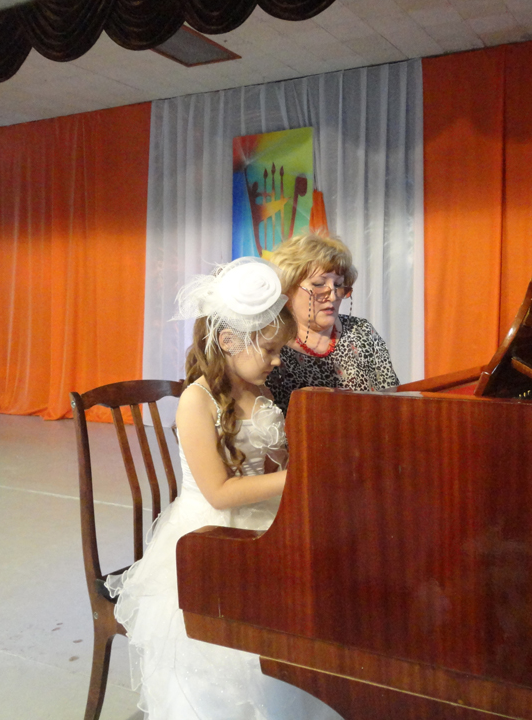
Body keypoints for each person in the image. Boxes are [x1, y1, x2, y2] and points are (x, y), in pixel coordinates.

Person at [105, 257, 342, 720]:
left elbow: (274, 464)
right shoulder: (197, 402)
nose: (278, 361)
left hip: (261, 520)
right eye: (270, 350)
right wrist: (302, 478)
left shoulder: (261, 391)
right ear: (229, 341)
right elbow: (219, 492)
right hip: (210, 534)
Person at [266, 233, 399, 415]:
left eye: (338, 285)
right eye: (319, 284)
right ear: (288, 289)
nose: (333, 295)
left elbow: (392, 403)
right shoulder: (268, 340)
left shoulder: (362, 331)